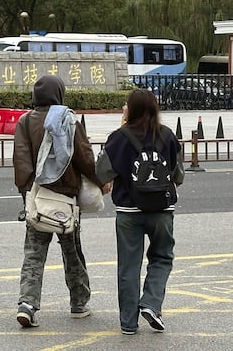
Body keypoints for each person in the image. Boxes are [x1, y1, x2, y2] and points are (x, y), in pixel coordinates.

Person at [12, 75, 107, 328]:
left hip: (38, 198)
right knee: (72, 251)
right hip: (66, 200)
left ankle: (27, 304)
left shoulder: (23, 122)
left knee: (33, 254)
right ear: (59, 94)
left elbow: (21, 160)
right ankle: (78, 303)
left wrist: (27, 193)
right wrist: (101, 181)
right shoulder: (68, 120)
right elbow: (84, 158)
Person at [96, 89, 182, 335]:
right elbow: (178, 175)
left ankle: (128, 324)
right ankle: (151, 304)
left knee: (129, 266)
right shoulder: (167, 136)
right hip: (162, 210)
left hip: (128, 211)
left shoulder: (118, 138)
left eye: (125, 105)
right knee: (162, 257)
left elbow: (102, 173)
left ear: (131, 109)